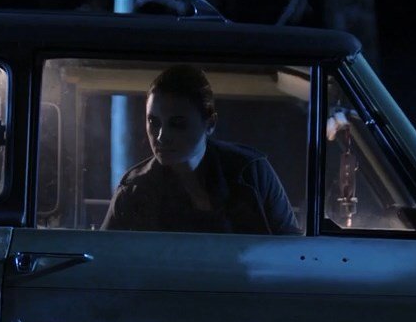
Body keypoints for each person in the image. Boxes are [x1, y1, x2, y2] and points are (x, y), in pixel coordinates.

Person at [101, 65, 302, 235]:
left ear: (210, 124)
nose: (161, 136)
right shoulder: (134, 189)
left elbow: (292, 251)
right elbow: (104, 256)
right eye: (154, 122)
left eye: (177, 123)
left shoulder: (251, 172)